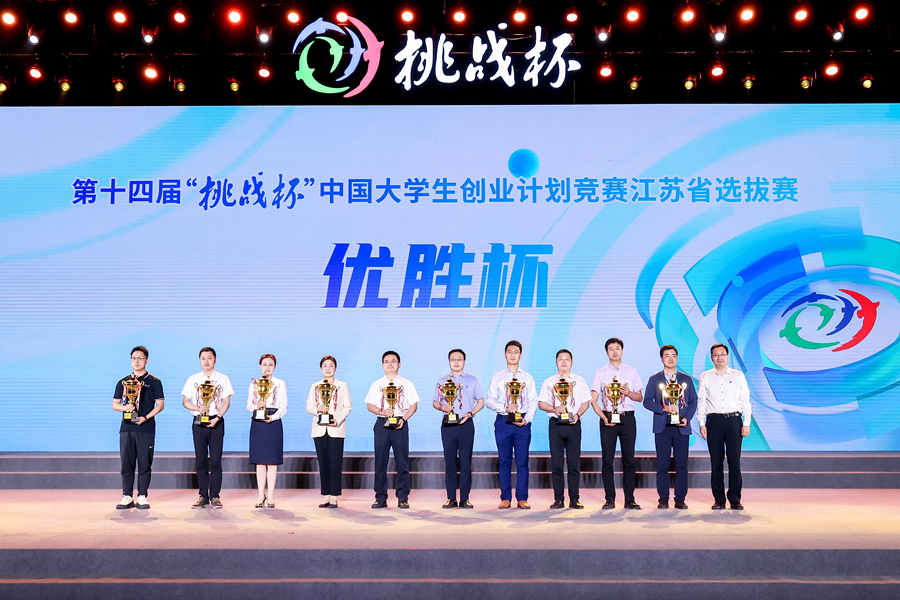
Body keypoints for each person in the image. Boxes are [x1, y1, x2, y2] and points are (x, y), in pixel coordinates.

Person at [590, 337, 644, 510]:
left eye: (617, 348)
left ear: (622, 350)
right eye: (611, 349)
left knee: (629, 461)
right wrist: (603, 417)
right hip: (608, 419)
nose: (614, 351)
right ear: (607, 352)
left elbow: (640, 397)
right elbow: (593, 399)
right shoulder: (600, 373)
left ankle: (630, 499)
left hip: (627, 418)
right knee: (607, 461)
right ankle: (609, 498)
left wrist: (629, 393)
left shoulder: (632, 371)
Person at [697, 343, 752, 510]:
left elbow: (745, 400)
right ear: (711, 358)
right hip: (713, 422)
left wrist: (746, 423)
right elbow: (701, 401)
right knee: (716, 462)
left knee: (734, 462)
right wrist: (701, 423)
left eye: (722, 354)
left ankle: (735, 499)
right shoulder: (705, 376)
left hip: (734, 421)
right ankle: (719, 499)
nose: (719, 357)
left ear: (728, 357)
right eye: (716, 354)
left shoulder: (738, 375)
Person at [643, 344, 697, 509]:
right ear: (662, 359)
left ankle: (680, 499)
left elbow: (693, 401)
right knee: (662, 464)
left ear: (677, 358)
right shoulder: (655, 379)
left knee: (682, 465)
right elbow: (647, 402)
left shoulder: (686, 379)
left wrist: (686, 418)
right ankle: (663, 499)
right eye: (667, 355)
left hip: (681, 427)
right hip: (662, 427)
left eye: (673, 355)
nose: (671, 358)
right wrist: (663, 408)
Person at [485, 340, 537, 510]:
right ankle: (505, 498)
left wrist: (527, 419)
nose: (512, 355)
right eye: (509, 352)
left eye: (516, 352)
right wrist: (504, 408)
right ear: (504, 355)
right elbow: (489, 401)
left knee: (522, 462)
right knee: (504, 461)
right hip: (503, 422)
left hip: (522, 423)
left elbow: (533, 401)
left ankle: (522, 498)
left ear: (521, 356)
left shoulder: (527, 378)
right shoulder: (498, 377)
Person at [365, 351, 420, 509]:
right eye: (386, 361)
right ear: (383, 365)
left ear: (399, 364)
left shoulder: (407, 384)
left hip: (400, 424)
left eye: (393, 361)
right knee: (380, 462)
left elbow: (413, 406)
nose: (390, 364)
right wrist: (382, 412)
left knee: (402, 462)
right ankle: (380, 498)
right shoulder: (377, 384)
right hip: (382, 424)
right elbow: (370, 406)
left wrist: (404, 419)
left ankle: (403, 497)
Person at [112, 346, 165, 510]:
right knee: (126, 463)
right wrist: (125, 408)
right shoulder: (123, 382)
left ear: (146, 361)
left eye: (140, 358)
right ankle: (127, 496)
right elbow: (115, 404)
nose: (137, 361)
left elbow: (160, 405)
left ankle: (142, 496)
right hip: (126, 428)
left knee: (144, 463)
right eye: (134, 358)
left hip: (146, 428)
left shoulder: (154, 382)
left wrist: (145, 418)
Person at [538, 349, 591, 509]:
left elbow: (585, 402)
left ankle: (574, 499)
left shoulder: (579, 381)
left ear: (571, 362)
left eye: (567, 359)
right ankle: (559, 499)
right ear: (556, 362)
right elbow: (541, 403)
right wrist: (554, 409)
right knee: (557, 465)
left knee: (574, 464)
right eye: (560, 359)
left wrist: (578, 415)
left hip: (574, 425)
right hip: (556, 425)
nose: (563, 362)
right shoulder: (549, 382)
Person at [181, 347, 234, 509]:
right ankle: (203, 496)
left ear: (215, 360)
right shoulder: (193, 379)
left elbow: (226, 402)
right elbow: (185, 402)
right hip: (199, 422)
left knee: (216, 460)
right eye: (203, 358)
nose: (206, 361)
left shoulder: (223, 379)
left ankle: (215, 496)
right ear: (199, 360)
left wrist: (218, 418)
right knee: (201, 460)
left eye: (209, 358)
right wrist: (198, 408)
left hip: (216, 422)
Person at [432, 349, 484, 509]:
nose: (456, 362)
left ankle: (465, 499)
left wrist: (470, 413)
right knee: (449, 462)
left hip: (465, 424)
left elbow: (481, 402)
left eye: (459, 359)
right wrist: (442, 407)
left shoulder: (473, 380)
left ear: (464, 362)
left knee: (466, 462)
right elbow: (435, 402)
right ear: (449, 362)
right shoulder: (442, 381)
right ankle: (451, 498)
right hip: (448, 425)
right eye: (453, 359)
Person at [306, 355, 352, 508]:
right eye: (325, 366)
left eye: (331, 365)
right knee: (323, 462)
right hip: (319, 429)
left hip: (336, 429)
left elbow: (347, 407)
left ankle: (334, 496)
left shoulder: (342, 386)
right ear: (321, 368)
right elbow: (308, 406)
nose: (327, 368)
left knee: (336, 463)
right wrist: (318, 409)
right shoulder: (315, 386)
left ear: (335, 368)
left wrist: (337, 420)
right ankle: (326, 494)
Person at [246, 353, 287, 509]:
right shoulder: (254, 384)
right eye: (264, 364)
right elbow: (248, 405)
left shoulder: (280, 383)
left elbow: (283, 406)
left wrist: (273, 417)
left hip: (273, 423)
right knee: (260, 461)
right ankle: (260, 495)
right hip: (258, 422)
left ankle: (270, 496)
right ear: (260, 366)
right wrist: (257, 406)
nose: (267, 367)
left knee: (272, 461)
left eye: (270, 364)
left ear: (275, 366)